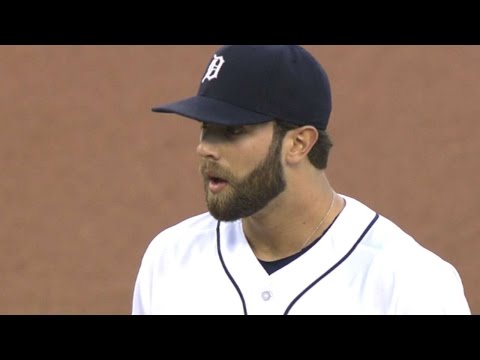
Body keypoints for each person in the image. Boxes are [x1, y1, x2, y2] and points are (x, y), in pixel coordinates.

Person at [132, 45, 471, 315]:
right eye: (206, 129)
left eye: (232, 130)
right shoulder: (169, 257)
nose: (204, 148)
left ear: (298, 143)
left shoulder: (410, 283)